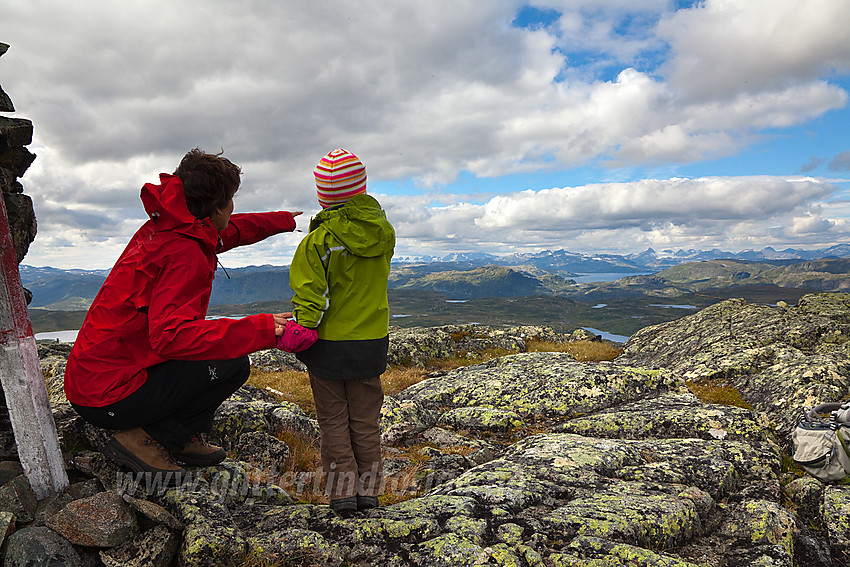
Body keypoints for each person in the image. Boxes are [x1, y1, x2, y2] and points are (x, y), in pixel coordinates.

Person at [64, 148, 301, 485]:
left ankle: (175, 436)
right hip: (109, 396)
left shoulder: (170, 225)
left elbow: (224, 231)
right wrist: (260, 328)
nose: (233, 208)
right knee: (232, 364)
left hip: (93, 380)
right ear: (216, 207)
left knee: (219, 357)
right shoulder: (184, 252)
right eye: (231, 200)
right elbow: (170, 337)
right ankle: (150, 437)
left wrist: (279, 221)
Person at [282, 148, 394, 516]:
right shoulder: (382, 234)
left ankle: (343, 495)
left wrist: (299, 330)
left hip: (328, 348)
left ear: (321, 196)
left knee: (333, 421)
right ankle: (369, 493)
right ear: (361, 188)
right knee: (365, 421)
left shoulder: (317, 242)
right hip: (371, 344)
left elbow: (311, 300)